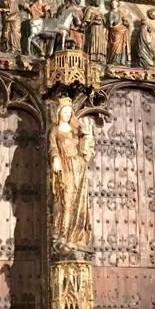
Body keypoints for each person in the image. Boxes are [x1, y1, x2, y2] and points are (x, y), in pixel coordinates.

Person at [49, 99, 95, 254]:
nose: (67, 114)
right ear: (59, 113)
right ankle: (62, 236)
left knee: (79, 200)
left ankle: (75, 237)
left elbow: (86, 145)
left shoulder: (76, 130)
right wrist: (55, 158)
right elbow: (52, 147)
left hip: (78, 167)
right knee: (66, 201)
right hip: (65, 167)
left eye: (69, 112)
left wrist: (87, 136)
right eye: (64, 111)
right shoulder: (55, 130)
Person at [107, 0, 130, 66]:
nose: (114, 5)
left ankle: (121, 60)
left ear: (117, 4)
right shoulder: (111, 13)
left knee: (122, 45)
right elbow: (110, 24)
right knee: (115, 45)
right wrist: (112, 23)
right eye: (112, 3)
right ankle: (114, 60)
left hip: (122, 31)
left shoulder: (121, 13)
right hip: (115, 31)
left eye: (115, 3)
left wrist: (126, 23)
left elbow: (125, 21)